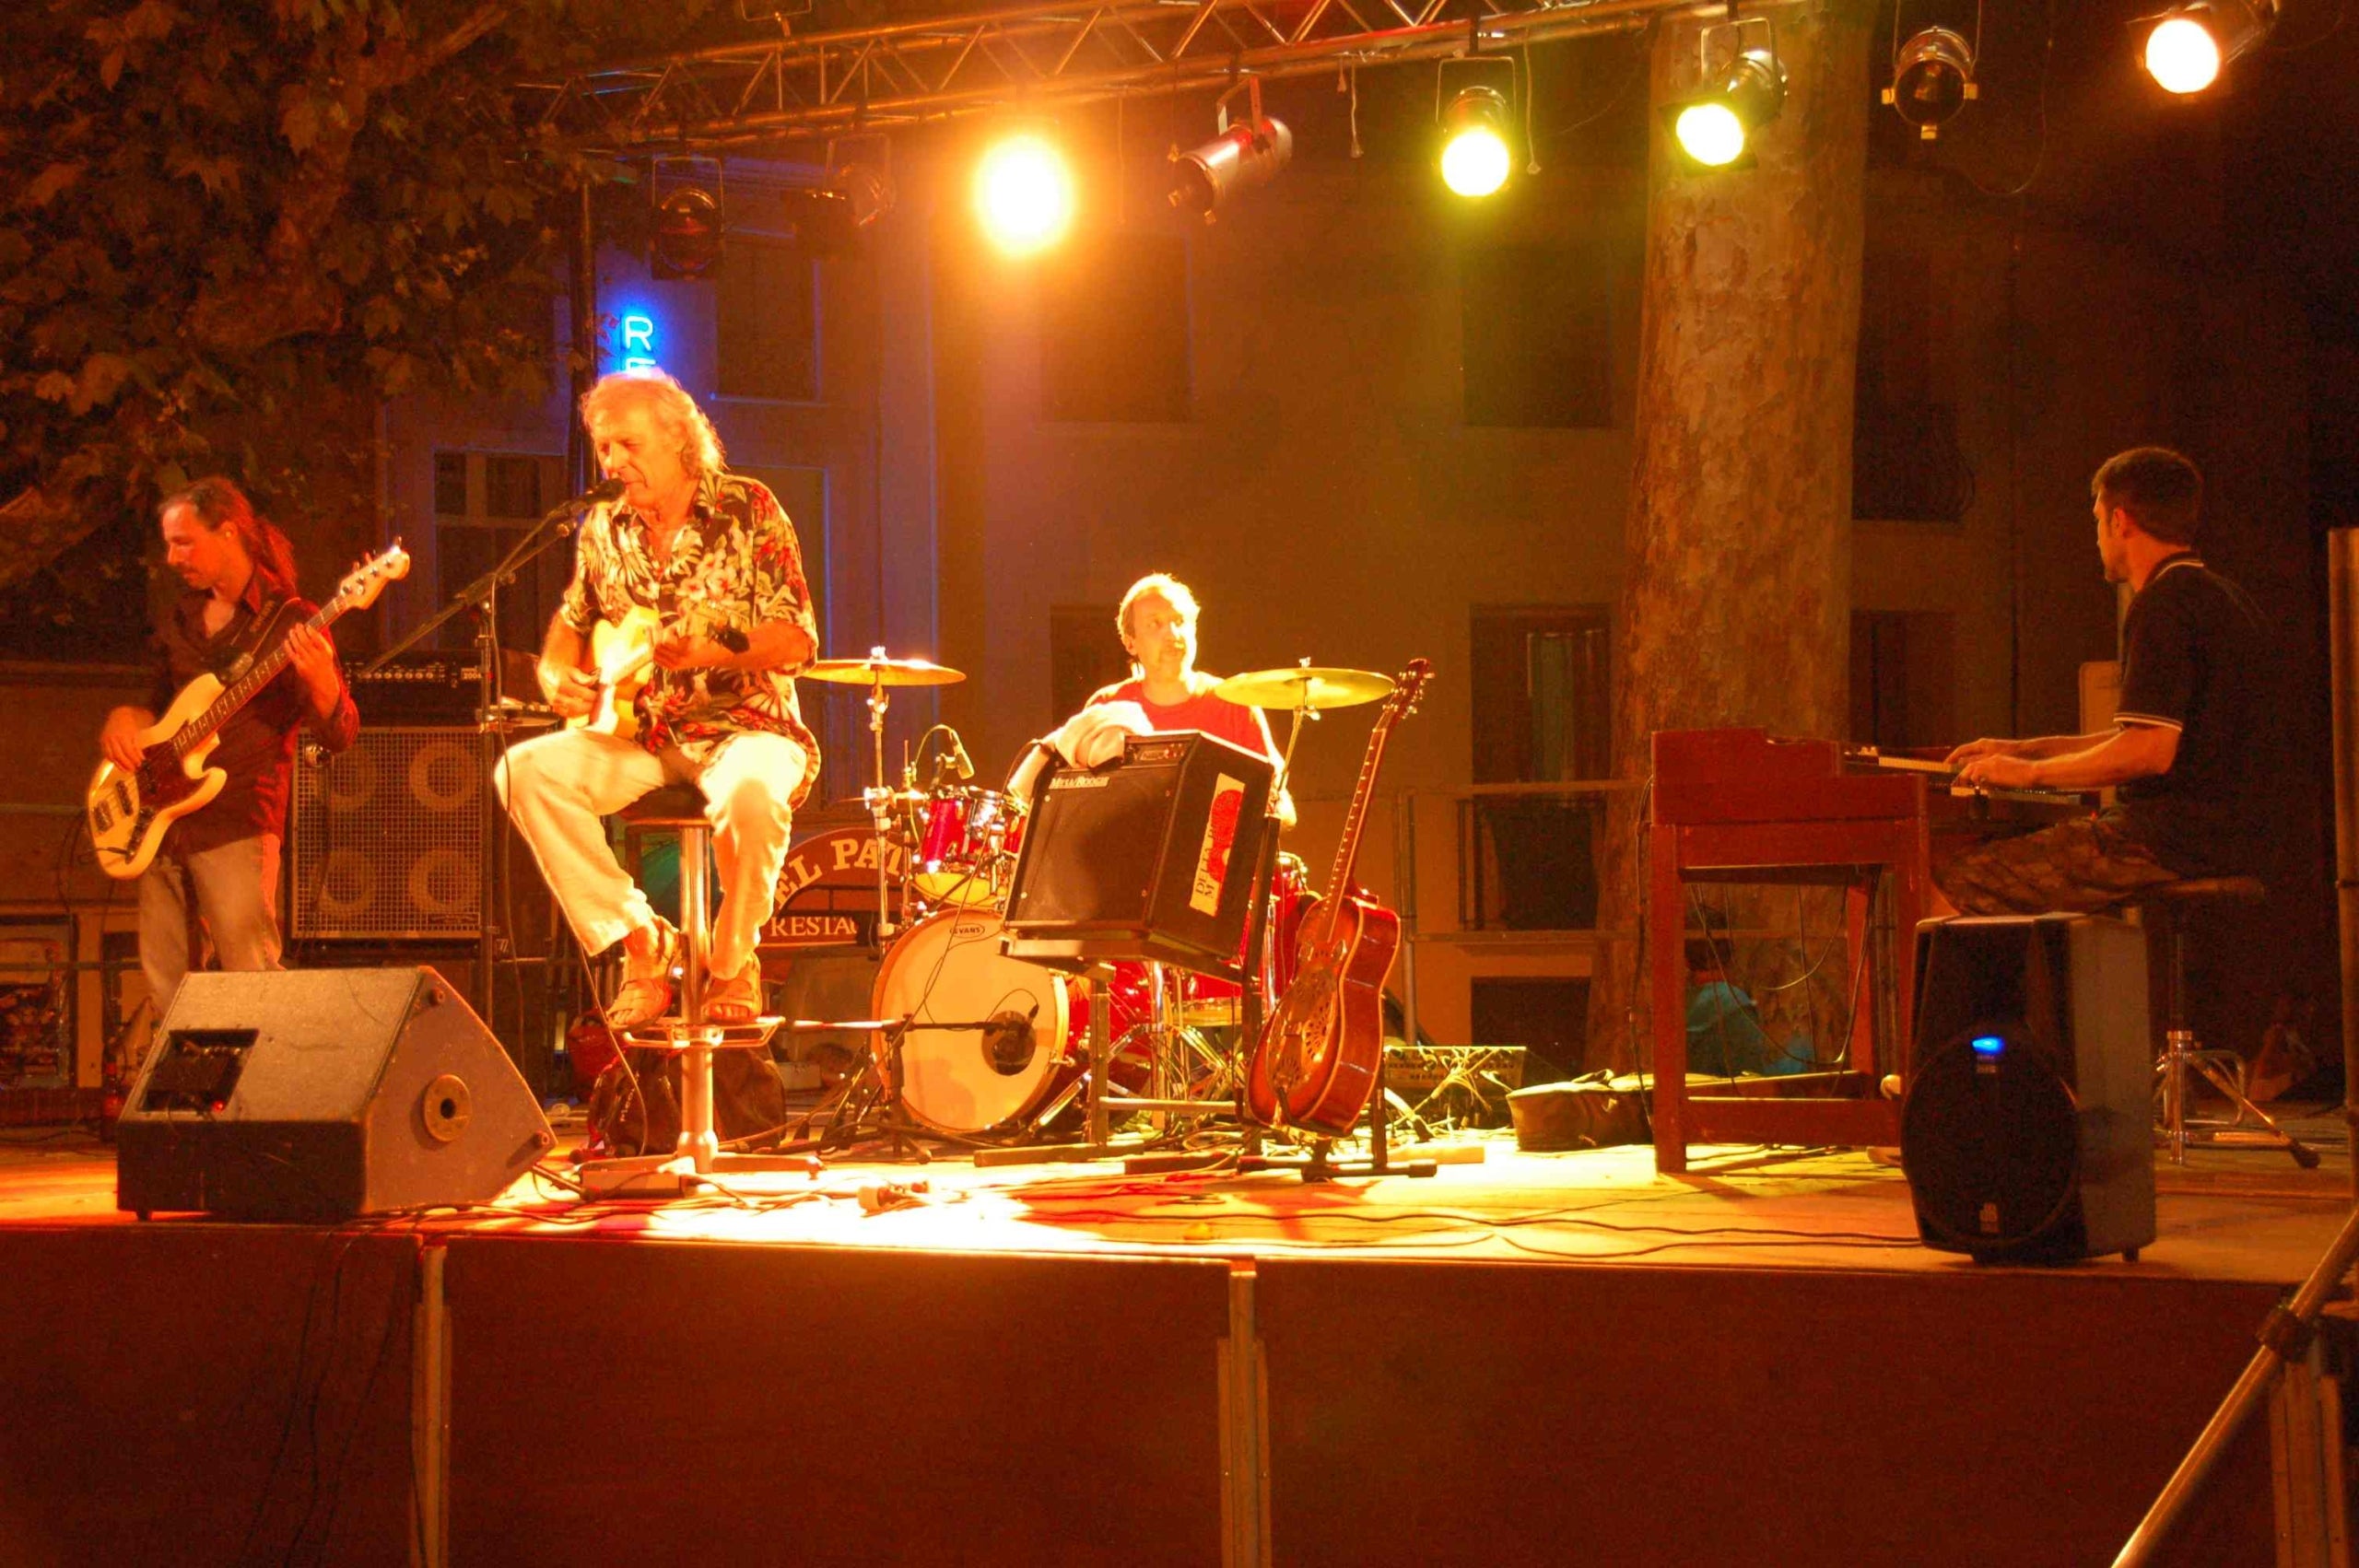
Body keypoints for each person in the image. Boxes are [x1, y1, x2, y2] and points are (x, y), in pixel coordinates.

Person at [496, 369, 820, 1027]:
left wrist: (715, 651)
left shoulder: (750, 508)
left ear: (680, 441)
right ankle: (642, 940)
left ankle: (733, 962)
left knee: (751, 797)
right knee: (523, 771)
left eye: (629, 445)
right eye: (605, 447)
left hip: (745, 727)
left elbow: (796, 640)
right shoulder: (602, 527)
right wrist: (555, 671)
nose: (614, 461)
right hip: (640, 734)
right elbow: (574, 615)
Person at [1938, 447, 2267, 915]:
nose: (2096, 538)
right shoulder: (2222, 598)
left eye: (2096, 521)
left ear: (2120, 520)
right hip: (2229, 837)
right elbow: (2146, 735)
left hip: (2161, 842)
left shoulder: (2161, 605)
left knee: (1949, 875)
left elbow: (2148, 752)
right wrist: (2022, 749)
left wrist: (2028, 774)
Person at [98, 478, 359, 1013]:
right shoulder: (178, 621)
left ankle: (265, 1092)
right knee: (167, 983)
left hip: (237, 818)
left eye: (184, 542)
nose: (172, 558)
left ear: (228, 531)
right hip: (161, 824)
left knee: (250, 978)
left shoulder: (291, 621)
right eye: (169, 544)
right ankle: (179, 1090)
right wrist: (124, 718)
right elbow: (152, 708)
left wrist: (324, 684)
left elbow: (339, 733)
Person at [1050, 573, 1294, 825]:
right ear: (1130, 642)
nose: (1172, 633)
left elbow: (1283, 807)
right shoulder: (1107, 707)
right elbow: (1079, 808)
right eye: (1155, 624)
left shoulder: (1234, 703)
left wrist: (1269, 812)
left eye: (1180, 621)